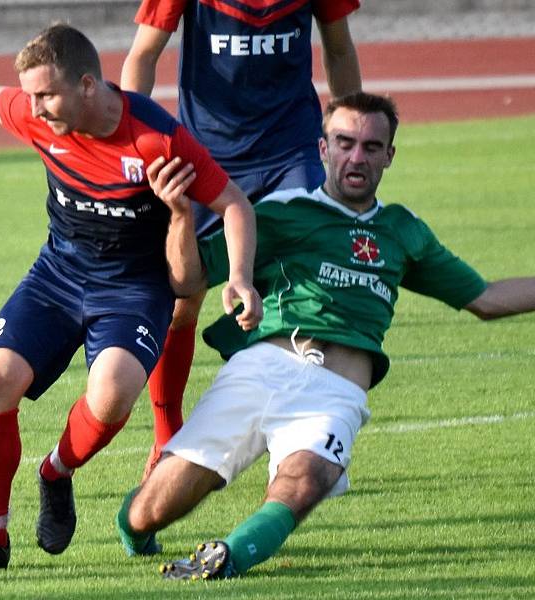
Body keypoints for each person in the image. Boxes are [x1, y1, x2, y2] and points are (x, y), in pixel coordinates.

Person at [117, 92, 535, 580]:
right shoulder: (280, 211)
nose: (357, 157)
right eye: (345, 143)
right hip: (263, 369)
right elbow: (188, 281)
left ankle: (228, 557)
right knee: (154, 507)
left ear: (389, 156)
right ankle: (135, 530)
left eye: (371, 147)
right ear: (323, 149)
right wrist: (181, 217)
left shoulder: (404, 230)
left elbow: (483, 297)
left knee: (308, 479)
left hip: (337, 391)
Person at [0, 23, 261, 574]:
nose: (35, 107)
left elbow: (235, 204)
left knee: (113, 394)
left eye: (46, 94)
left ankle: (56, 471)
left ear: (88, 84)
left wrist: (239, 275)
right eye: (31, 95)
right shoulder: (37, 115)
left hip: (134, 288)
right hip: (58, 273)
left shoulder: (155, 139)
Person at [120, 0, 363, 477]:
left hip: (291, 151)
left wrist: (349, 131)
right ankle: (168, 434)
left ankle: (293, 442)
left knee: (307, 289)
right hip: (206, 154)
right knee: (181, 296)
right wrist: (132, 141)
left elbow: (339, 48)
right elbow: (143, 54)